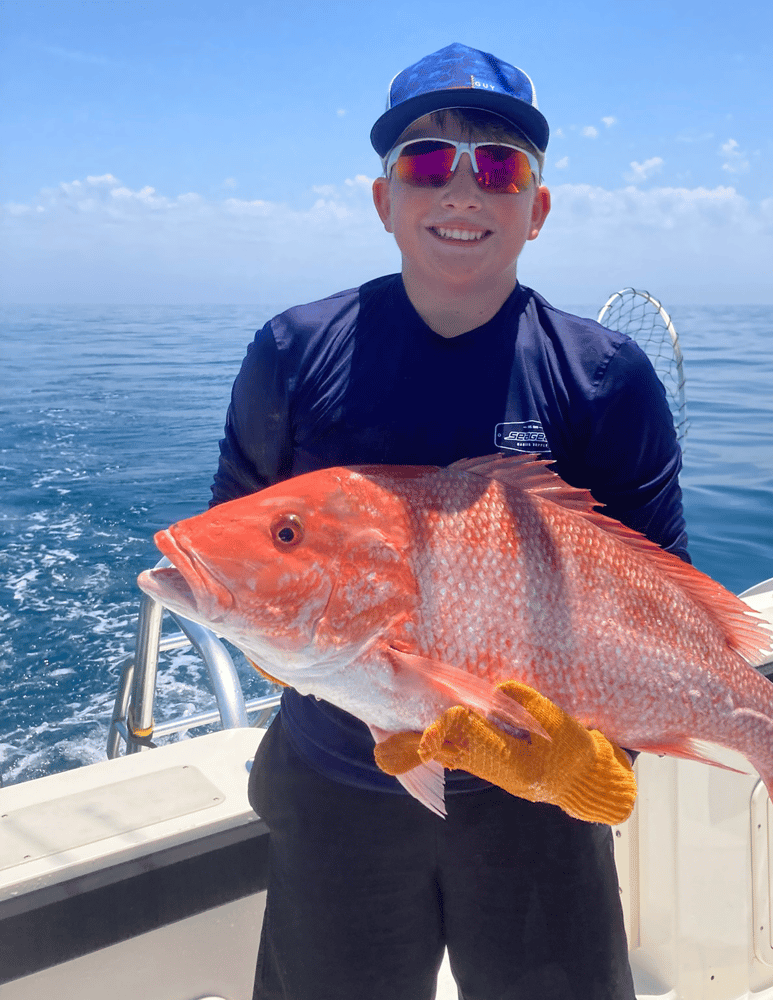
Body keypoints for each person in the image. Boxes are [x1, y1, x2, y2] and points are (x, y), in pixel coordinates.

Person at [211, 42, 687, 1000]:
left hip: (533, 807)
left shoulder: (604, 377)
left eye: (501, 165)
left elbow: (660, 607)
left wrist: (589, 762)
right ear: (384, 201)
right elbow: (233, 550)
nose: (463, 190)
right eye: (427, 161)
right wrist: (302, 643)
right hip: (339, 789)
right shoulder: (294, 354)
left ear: (536, 211)